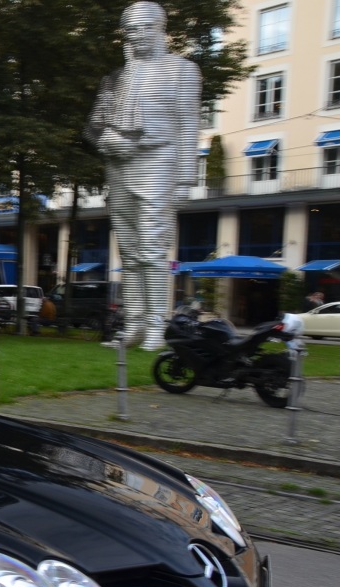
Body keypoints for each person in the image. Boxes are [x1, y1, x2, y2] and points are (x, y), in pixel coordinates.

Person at [85, 1, 201, 351]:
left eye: (144, 27)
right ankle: (133, 325)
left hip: (157, 163)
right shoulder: (116, 77)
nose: (137, 35)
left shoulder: (183, 70)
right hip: (118, 168)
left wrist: (185, 178)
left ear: (160, 27)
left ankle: (155, 326)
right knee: (129, 251)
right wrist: (104, 138)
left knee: (152, 250)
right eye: (131, 29)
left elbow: (189, 125)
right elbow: (95, 124)